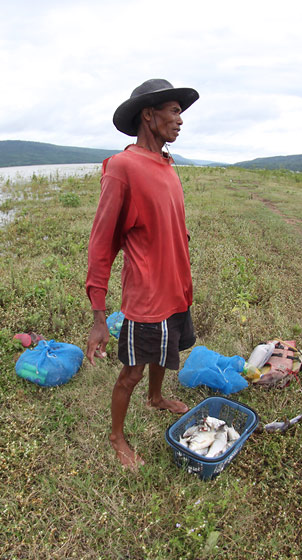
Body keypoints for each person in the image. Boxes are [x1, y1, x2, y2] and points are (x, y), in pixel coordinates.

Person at [85, 78, 199, 469]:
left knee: (163, 355)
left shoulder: (166, 163)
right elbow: (101, 245)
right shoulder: (122, 168)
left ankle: (156, 398)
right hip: (146, 294)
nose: (180, 119)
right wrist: (99, 317)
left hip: (175, 289)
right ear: (148, 116)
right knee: (131, 370)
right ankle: (117, 437)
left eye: (180, 111)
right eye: (173, 110)